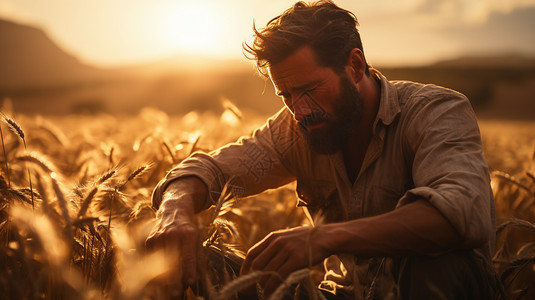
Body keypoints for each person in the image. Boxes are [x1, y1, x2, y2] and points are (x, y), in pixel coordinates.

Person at [146, 1, 497, 299]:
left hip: (422, 289)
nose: (300, 109)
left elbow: (462, 214)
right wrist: (175, 209)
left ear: (355, 66)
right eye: (286, 96)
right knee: (193, 259)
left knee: (438, 263)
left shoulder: (436, 111)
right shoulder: (298, 128)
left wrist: (324, 238)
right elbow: (215, 171)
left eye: (310, 89)